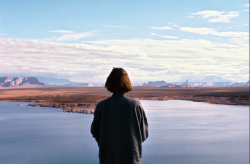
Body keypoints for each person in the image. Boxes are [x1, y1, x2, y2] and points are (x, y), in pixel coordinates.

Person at [91, 67, 148, 164]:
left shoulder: (102, 106)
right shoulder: (135, 105)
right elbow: (143, 134)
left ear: (109, 82)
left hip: (107, 159)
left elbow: (95, 132)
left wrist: (105, 144)